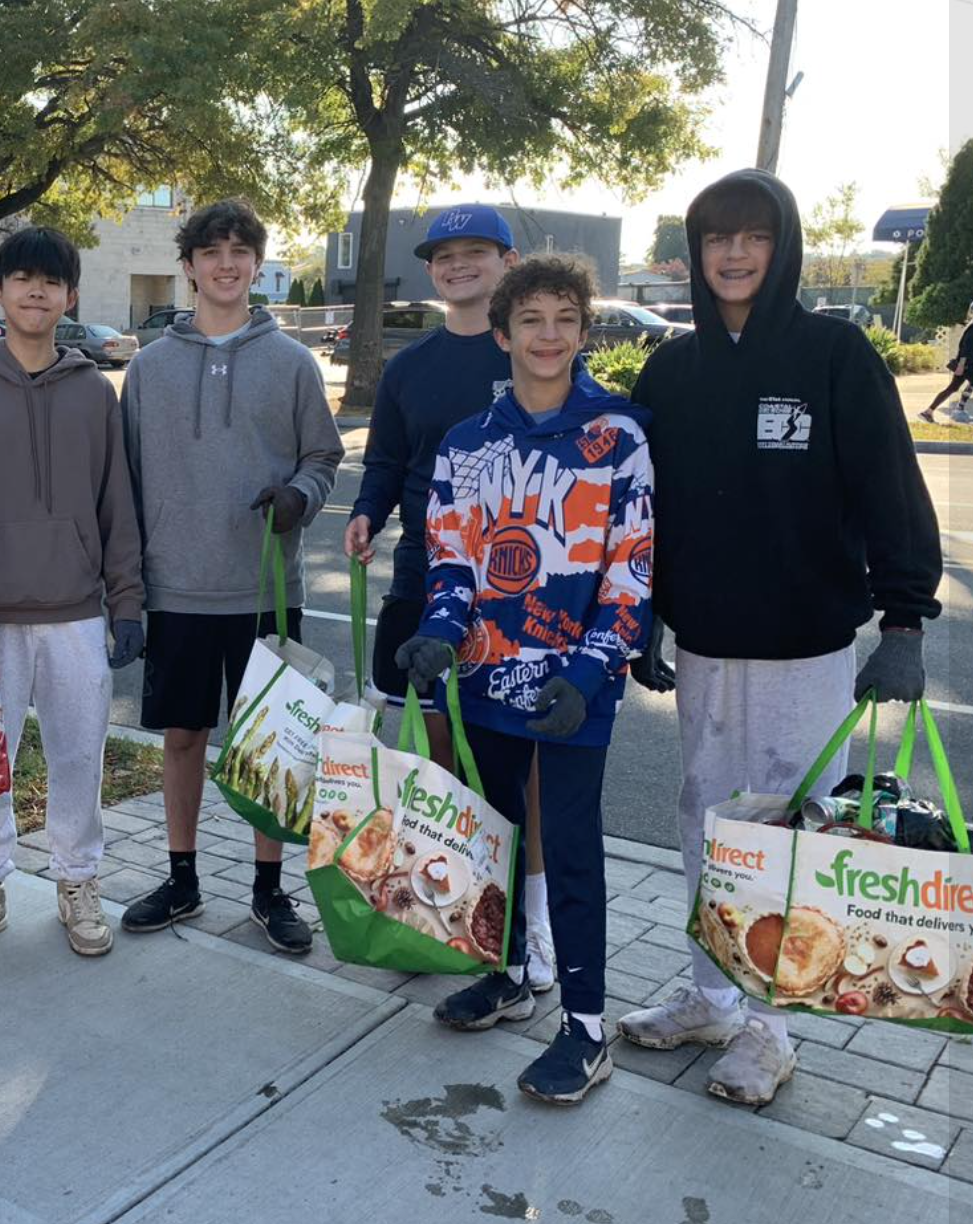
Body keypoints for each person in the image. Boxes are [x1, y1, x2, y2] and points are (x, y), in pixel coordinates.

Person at [618, 170, 942, 1105]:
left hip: (807, 647)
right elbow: (644, 511)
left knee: (791, 831)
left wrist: (906, 620)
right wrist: (644, 612)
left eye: (754, 236)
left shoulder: (835, 355)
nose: (734, 253)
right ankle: (714, 995)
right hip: (709, 642)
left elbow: (890, 492)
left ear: (782, 245)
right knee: (706, 820)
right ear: (695, 249)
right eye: (717, 236)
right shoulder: (672, 370)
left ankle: (774, 1028)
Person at [397, 254, 653, 1105]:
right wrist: (438, 634)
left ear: (584, 332)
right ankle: (511, 973)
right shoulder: (468, 444)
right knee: (496, 835)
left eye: (565, 320)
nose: (549, 336)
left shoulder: (620, 439)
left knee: (572, 850)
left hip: (577, 688)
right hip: (485, 676)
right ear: (502, 334)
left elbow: (631, 573)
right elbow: (451, 560)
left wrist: (590, 668)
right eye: (532, 321)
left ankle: (585, 1027)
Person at [0, 227, 144, 961]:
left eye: (51, 280)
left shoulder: (94, 393)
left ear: (71, 295)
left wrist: (127, 602)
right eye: (21, 278)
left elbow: (118, 504)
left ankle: (77, 881)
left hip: (76, 612)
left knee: (80, 755)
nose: (36, 291)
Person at [343, 206, 560, 992]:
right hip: (425, 586)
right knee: (441, 763)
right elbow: (388, 462)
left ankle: (531, 930)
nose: (459, 266)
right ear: (430, 269)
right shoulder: (410, 369)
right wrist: (367, 511)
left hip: (525, 601)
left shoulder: (538, 351)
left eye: (476, 253)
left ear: (508, 261)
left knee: (525, 770)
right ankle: (454, 912)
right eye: (445, 256)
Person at [120, 199, 344, 954]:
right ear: (188, 266)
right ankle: (181, 878)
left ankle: (268, 890)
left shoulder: (292, 363)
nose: (226, 262)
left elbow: (324, 456)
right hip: (176, 586)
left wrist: (301, 497)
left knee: (272, 746)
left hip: (265, 588)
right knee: (184, 735)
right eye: (211, 250)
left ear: (256, 263)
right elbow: (125, 479)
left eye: (240, 249)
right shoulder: (148, 369)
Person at [917, 308, 972, 423]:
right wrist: (961, 366)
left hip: (966, 365)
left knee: (952, 388)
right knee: (954, 388)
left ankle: (928, 412)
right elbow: (966, 349)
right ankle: (959, 410)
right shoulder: (972, 329)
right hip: (967, 366)